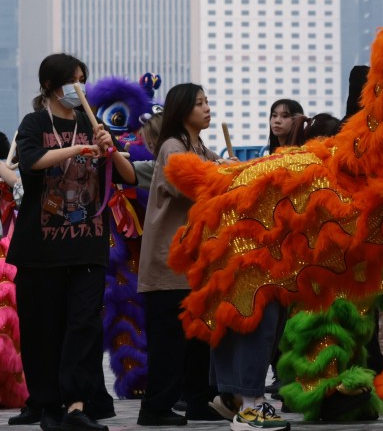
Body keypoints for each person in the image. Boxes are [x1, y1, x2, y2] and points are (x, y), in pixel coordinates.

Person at [8, 53, 136, 431]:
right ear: (50, 85)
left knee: (83, 325)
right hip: (40, 249)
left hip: (87, 247)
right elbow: (31, 162)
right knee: (42, 330)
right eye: (72, 80)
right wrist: (78, 150)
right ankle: (47, 406)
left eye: (82, 79)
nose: (77, 87)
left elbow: (127, 176)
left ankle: (77, 406)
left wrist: (107, 145)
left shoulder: (89, 123)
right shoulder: (34, 123)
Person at [136, 84, 228, 426]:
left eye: (207, 102)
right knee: (169, 343)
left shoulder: (199, 145)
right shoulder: (174, 146)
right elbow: (188, 185)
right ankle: (155, 408)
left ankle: (197, 401)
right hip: (169, 263)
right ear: (182, 109)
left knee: (196, 339)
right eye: (200, 103)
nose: (207, 108)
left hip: (193, 264)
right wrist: (223, 174)